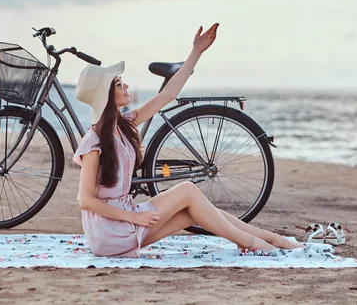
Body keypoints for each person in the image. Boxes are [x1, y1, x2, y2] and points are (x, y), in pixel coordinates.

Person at [73, 23, 303, 258]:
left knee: (195, 211)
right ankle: (252, 242)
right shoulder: (94, 143)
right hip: (109, 232)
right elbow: (86, 201)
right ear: (106, 95)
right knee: (188, 190)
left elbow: (168, 94)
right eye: (119, 83)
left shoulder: (124, 125)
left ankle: (268, 238)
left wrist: (197, 52)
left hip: (122, 226)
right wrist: (134, 217)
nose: (126, 86)